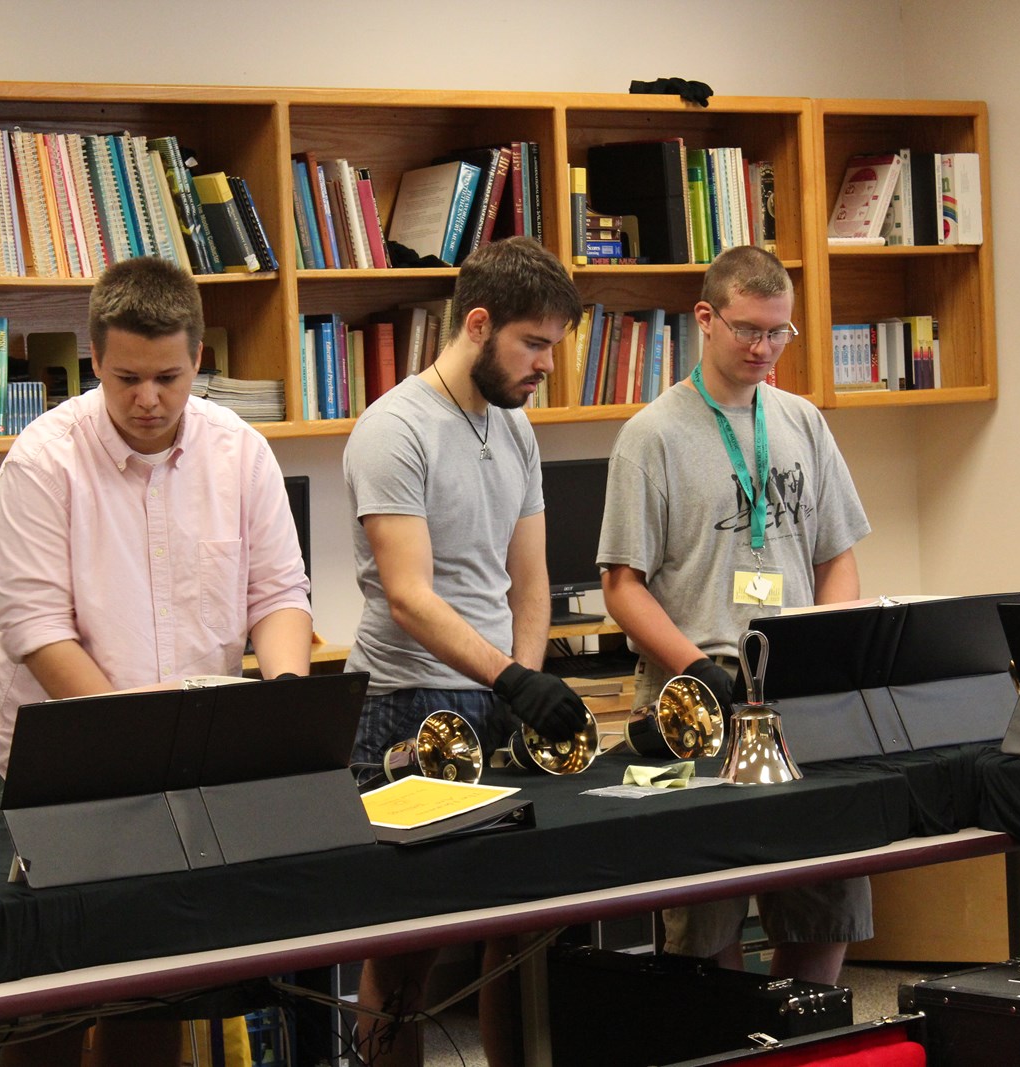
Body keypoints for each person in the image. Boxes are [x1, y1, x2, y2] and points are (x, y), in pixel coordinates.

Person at [0, 256, 312, 1066]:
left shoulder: (240, 452)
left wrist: (285, 710)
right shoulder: (42, 461)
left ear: (199, 357)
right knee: (44, 1014)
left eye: (169, 377)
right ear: (95, 357)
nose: (149, 399)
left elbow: (278, 594)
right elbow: (38, 631)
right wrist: (139, 743)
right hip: (56, 771)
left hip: (183, 768)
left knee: (155, 999)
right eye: (127, 378)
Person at [598, 245, 873, 985]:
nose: (763, 348)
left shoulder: (802, 421)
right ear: (706, 318)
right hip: (698, 692)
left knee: (825, 900)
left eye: (778, 332)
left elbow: (836, 555)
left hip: (795, 694)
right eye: (748, 329)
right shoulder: (652, 435)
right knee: (704, 923)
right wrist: (696, 666)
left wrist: (830, 645)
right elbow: (622, 586)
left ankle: (801, 1036)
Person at [342, 236, 586, 1066]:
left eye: (553, 345)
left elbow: (529, 579)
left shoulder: (514, 426)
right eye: (533, 343)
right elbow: (409, 595)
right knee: (406, 950)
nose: (546, 364)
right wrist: (511, 675)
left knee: (519, 932)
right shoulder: (394, 428)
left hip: (493, 695)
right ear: (477, 324)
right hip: (405, 704)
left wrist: (527, 682)